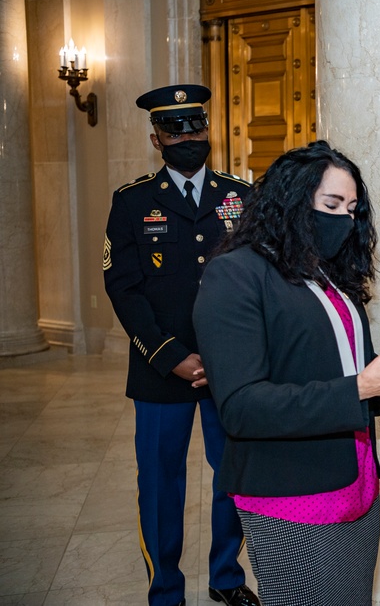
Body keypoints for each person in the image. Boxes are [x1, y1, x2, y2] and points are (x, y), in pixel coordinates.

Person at [193, 141, 380, 605]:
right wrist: (362, 386)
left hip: (356, 481)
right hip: (291, 491)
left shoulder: (329, 278)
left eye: (351, 209)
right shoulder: (235, 275)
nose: (343, 219)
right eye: (330, 205)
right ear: (290, 199)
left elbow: (346, 383)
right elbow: (242, 408)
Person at [103, 85, 259, 606]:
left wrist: (230, 355)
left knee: (232, 475)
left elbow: (259, 278)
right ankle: (164, 588)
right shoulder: (132, 202)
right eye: (175, 130)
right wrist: (170, 356)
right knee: (160, 483)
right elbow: (122, 287)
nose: (187, 137)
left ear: (208, 129)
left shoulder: (242, 196)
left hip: (230, 369)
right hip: (159, 368)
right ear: (156, 138)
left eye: (195, 126)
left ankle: (226, 578)